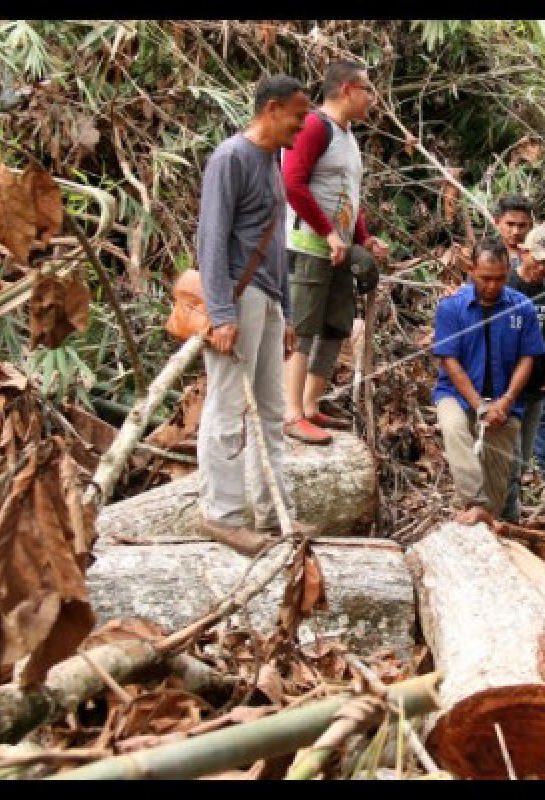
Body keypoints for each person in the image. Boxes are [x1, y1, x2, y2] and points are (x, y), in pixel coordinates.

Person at [196, 74, 311, 556]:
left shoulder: (272, 160)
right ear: (270, 109)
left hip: (266, 299)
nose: (303, 127)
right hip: (236, 301)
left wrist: (285, 311)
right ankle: (221, 515)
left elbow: (277, 246)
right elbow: (212, 239)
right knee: (226, 406)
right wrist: (222, 312)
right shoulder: (230, 158)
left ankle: (273, 512)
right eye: (297, 116)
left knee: (270, 410)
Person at [282, 60, 390, 445]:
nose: (372, 100)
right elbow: (292, 182)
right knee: (305, 328)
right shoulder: (314, 126)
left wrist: (363, 238)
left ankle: (311, 404)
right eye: (367, 90)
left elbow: (349, 198)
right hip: (311, 246)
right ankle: (291, 412)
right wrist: (328, 233)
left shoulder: (348, 137)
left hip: (339, 249)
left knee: (334, 326)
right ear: (346, 89)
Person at [433, 237, 545, 526]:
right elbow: (449, 361)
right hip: (455, 394)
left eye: (499, 278)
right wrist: (478, 406)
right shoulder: (451, 307)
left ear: (508, 272)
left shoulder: (522, 308)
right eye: (485, 278)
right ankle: (475, 502)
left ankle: (488, 516)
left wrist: (506, 401)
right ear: (471, 270)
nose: (493, 286)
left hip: (505, 401)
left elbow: (527, 358)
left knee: (498, 484)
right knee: (454, 427)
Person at [492, 195, 545, 492]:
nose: (544, 269)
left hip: (537, 376)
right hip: (506, 377)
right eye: (540, 262)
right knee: (504, 450)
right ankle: (504, 508)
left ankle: (540, 473)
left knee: (530, 442)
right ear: (524, 253)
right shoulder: (504, 282)